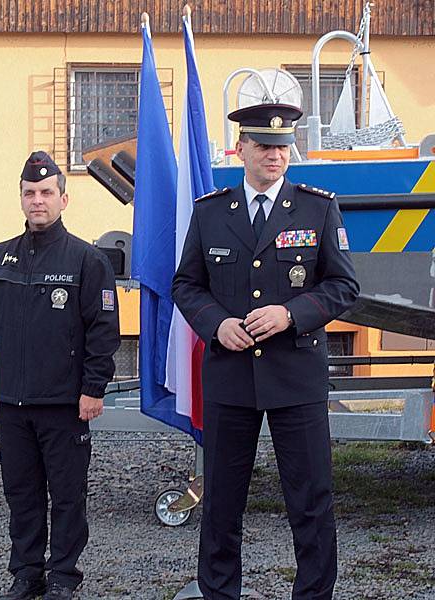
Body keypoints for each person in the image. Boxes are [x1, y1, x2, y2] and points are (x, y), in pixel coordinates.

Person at [172, 103, 360, 599]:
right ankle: (219, 592)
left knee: (311, 500)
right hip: (231, 376)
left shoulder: (317, 208)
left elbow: (343, 286)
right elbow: (187, 284)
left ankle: (315, 594)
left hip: (295, 375)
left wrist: (290, 314)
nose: (274, 155)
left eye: (282, 146)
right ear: (241, 149)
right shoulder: (211, 211)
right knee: (222, 503)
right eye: (263, 145)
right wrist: (217, 325)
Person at [0, 151, 120, 600]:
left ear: (64, 200)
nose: (38, 201)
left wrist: (94, 388)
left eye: (46, 193)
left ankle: (64, 576)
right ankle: (27, 573)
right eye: (30, 193)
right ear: (20, 198)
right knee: (21, 495)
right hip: (12, 404)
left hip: (65, 405)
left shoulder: (87, 261)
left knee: (68, 498)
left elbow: (103, 332)